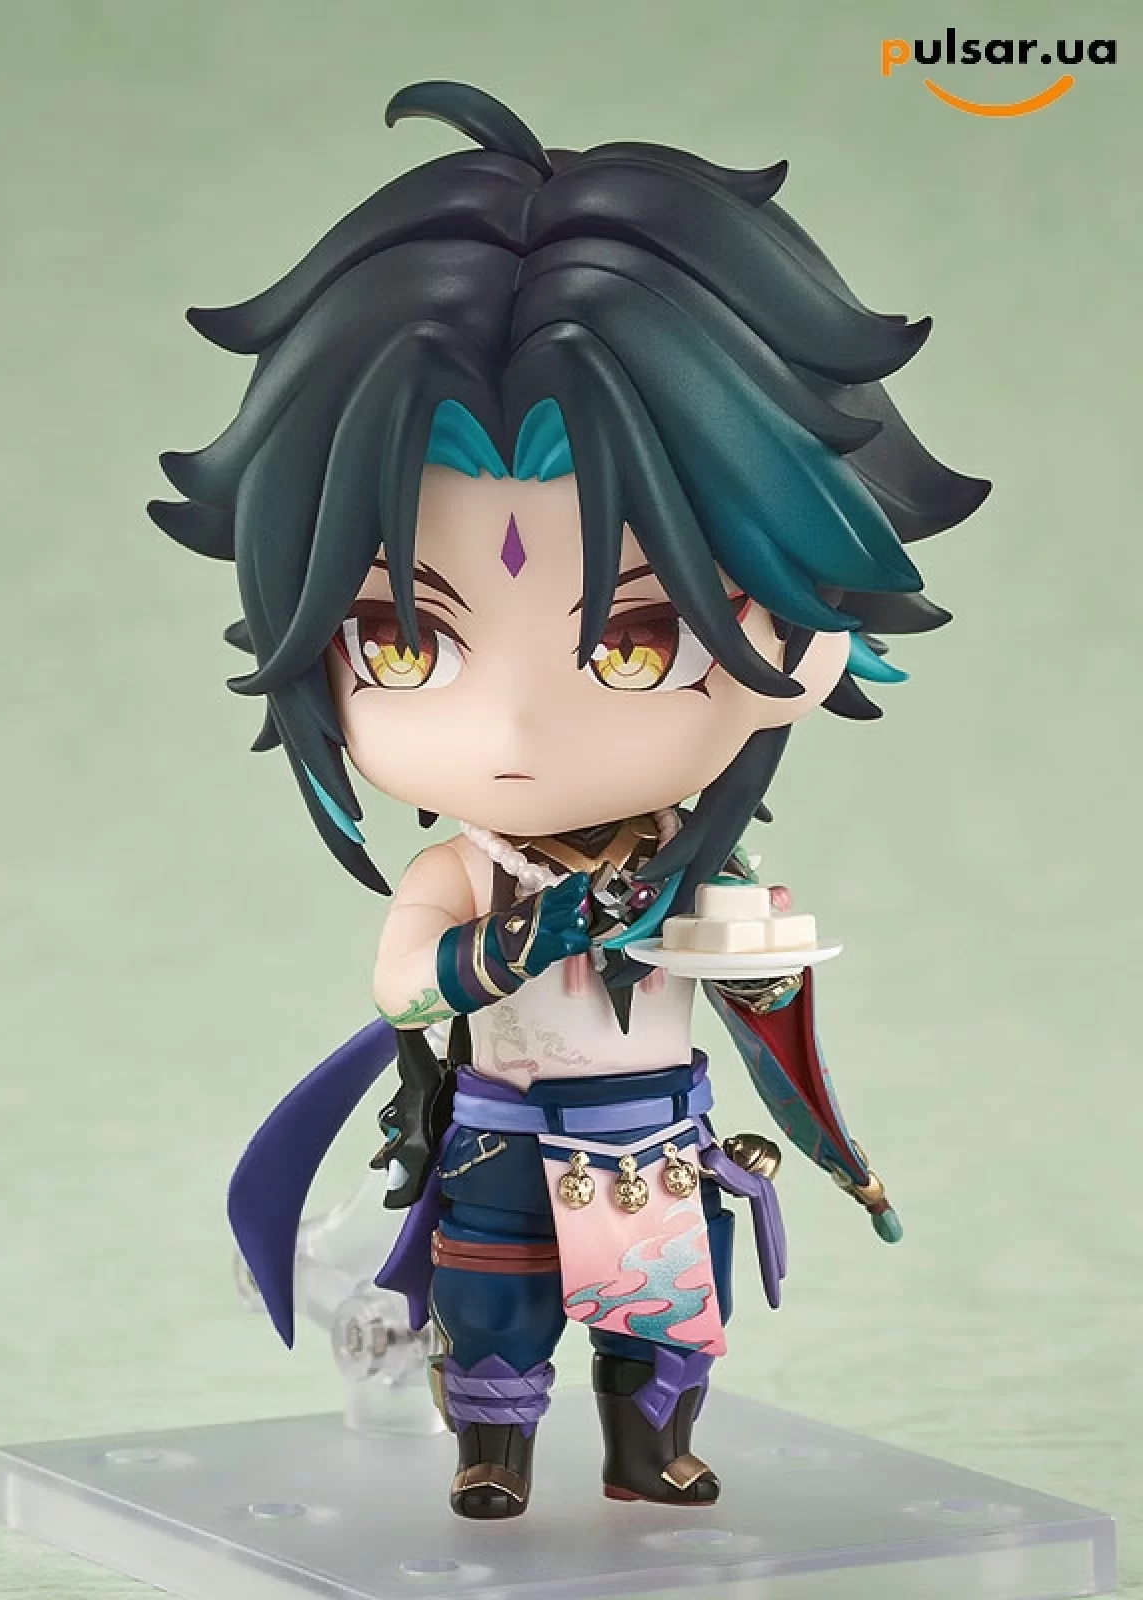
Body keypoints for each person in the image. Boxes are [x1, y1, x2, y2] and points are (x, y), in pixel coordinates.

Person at [151, 79, 989, 1520]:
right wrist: (534, 935)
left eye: (635, 641)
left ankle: (649, 1444)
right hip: (500, 1130)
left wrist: (806, 1086)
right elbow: (409, 987)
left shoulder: (690, 865)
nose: (517, 731)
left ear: (807, 641)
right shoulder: (464, 869)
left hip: (652, 1134)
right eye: (400, 640)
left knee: (662, 1313)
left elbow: (767, 1007)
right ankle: (492, 1449)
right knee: (495, 1307)